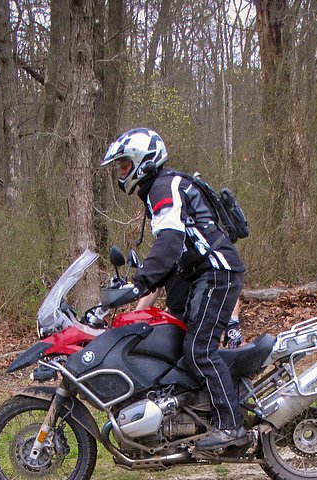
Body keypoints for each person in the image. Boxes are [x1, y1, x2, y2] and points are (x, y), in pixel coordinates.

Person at [102, 127, 247, 450]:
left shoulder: (163, 188)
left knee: (199, 350)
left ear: (143, 162)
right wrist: (135, 297)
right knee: (173, 340)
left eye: (124, 165)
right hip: (196, 275)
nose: (121, 173)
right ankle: (191, 415)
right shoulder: (160, 188)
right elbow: (170, 257)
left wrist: (138, 284)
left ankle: (231, 425)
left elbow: (169, 244)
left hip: (216, 272)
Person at [135, 273, 243, 348]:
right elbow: (155, 286)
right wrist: (134, 318)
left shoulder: (207, 246)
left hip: (204, 315)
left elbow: (228, 284)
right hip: (175, 316)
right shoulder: (169, 249)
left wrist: (233, 323)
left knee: (198, 358)